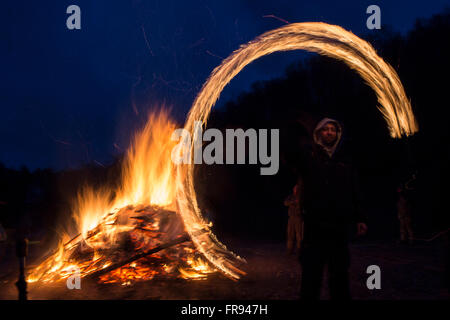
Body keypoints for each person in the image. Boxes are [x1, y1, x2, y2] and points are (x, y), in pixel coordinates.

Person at [298, 117, 368, 300]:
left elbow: (355, 189)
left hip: (339, 224)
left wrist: (360, 217)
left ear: (338, 134)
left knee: (339, 273)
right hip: (315, 224)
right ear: (318, 133)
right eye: (325, 129)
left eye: (333, 129)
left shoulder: (345, 159)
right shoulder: (309, 157)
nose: (329, 132)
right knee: (311, 272)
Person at [284, 181, 304, 255]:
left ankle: (299, 250)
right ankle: (289, 249)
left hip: (298, 218)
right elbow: (285, 203)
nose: (296, 189)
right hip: (291, 218)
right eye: (295, 188)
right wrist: (293, 202)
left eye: (297, 188)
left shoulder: (301, 197)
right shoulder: (291, 196)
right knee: (290, 234)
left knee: (299, 235)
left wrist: (298, 203)